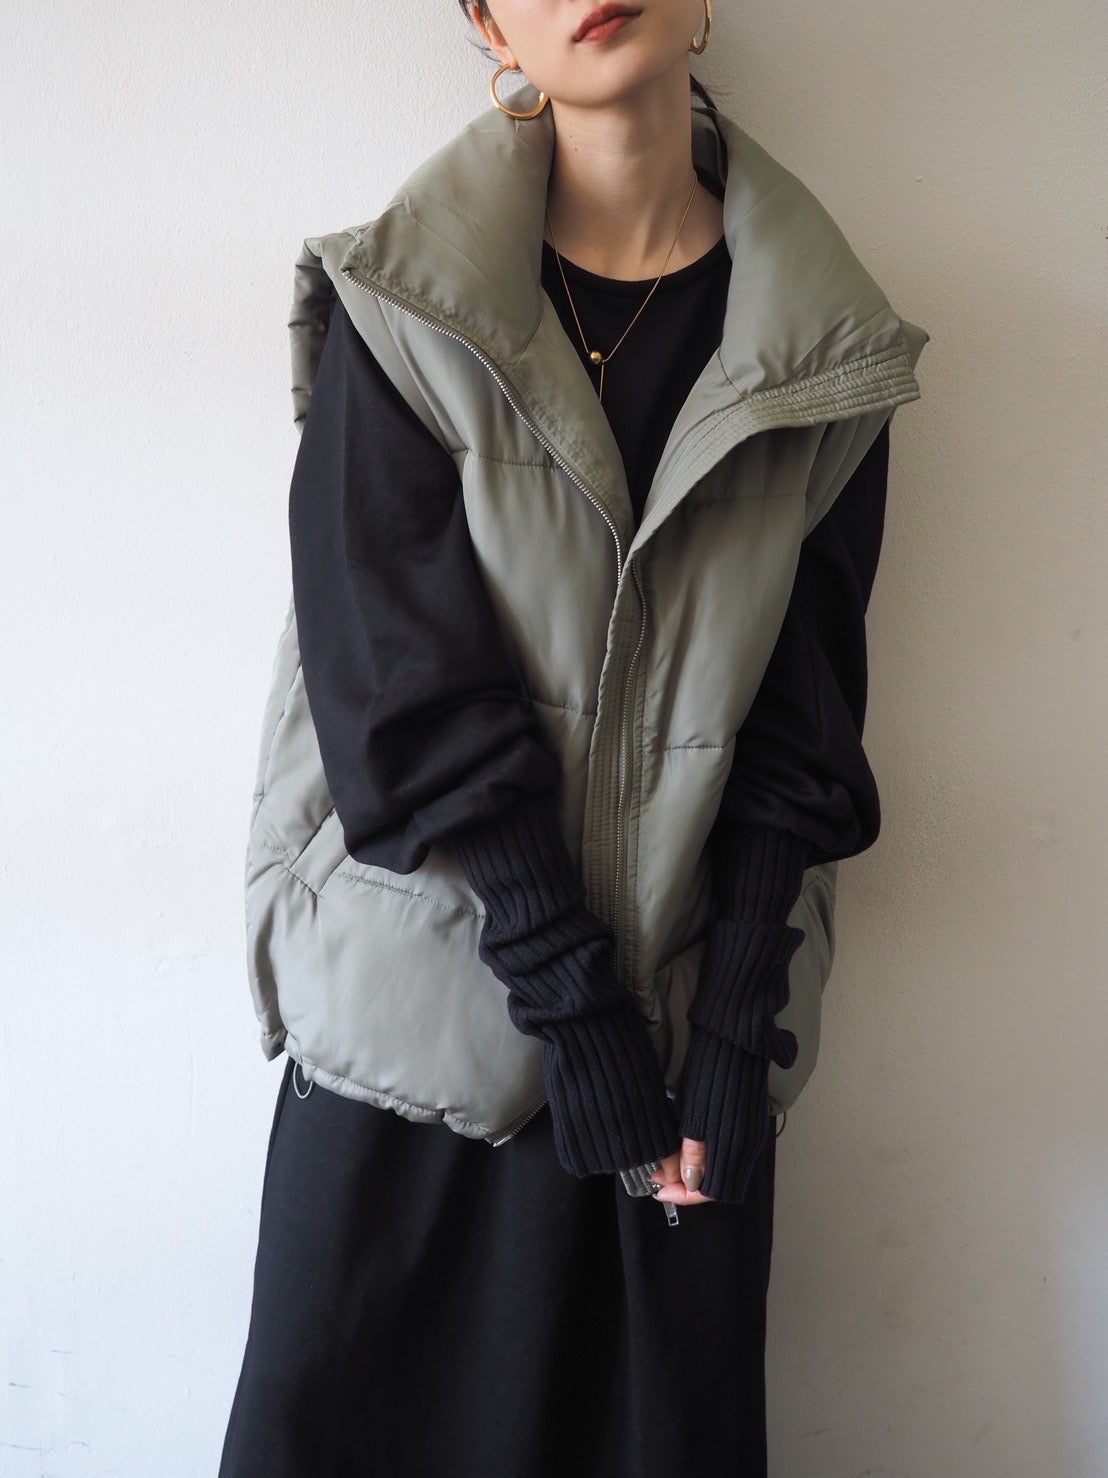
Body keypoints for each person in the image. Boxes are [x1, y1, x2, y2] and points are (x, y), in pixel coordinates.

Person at [220, 3, 928, 1474]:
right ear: (487, 24)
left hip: (685, 1070)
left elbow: (802, 731)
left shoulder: (826, 347)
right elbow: (401, 697)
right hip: (420, 1052)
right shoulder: (397, 305)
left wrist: (734, 1034)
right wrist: (578, 1021)